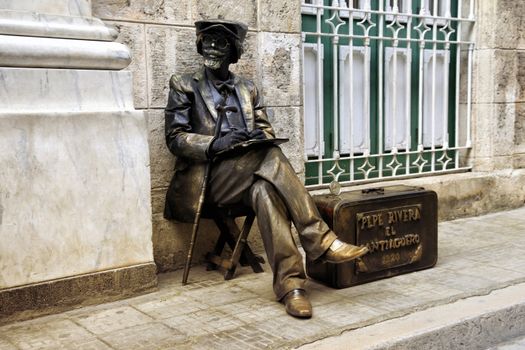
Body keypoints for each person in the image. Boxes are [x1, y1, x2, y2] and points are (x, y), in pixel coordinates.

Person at [164, 19, 368, 318]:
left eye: (220, 42)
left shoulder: (248, 88)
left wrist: (256, 137)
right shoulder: (183, 84)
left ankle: (292, 288)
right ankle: (320, 241)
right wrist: (216, 143)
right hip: (208, 183)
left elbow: (266, 132)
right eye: (207, 40)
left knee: (265, 191)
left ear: (234, 50)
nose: (211, 47)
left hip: (248, 180)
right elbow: (175, 138)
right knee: (269, 156)